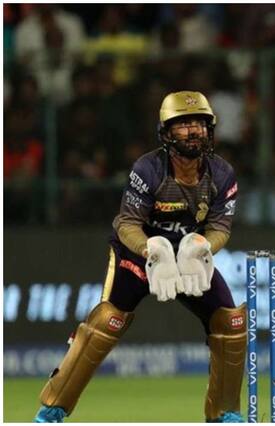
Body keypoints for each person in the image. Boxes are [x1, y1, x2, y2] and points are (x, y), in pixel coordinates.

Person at [33, 91, 246, 423]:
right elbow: (128, 224)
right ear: (166, 132)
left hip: (186, 257)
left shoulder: (221, 173)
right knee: (105, 322)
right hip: (139, 255)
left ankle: (225, 414)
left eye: (200, 124)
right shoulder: (148, 169)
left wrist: (202, 247)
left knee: (231, 323)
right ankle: (52, 409)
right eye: (183, 125)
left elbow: (220, 227)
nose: (193, 131)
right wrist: (152, 250)